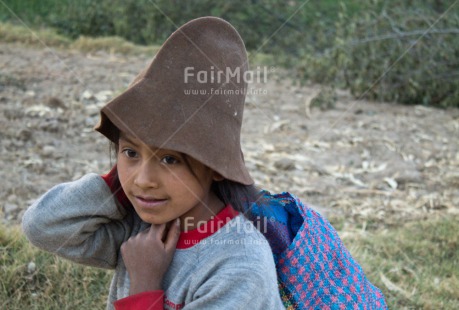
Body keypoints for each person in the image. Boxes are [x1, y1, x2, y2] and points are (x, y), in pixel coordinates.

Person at [22, 17, 286, 309]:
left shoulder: (239, 265)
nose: (144, 179)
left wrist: (145, 284)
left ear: (216, 166)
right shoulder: (142, 225)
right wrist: (122, 185)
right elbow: (43, 226)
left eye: (170, 159)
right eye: (130, 152)